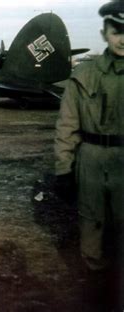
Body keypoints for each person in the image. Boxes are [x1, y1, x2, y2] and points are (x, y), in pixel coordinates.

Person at [54, 0, 124, 308]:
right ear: (104, 33)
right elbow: (67, 125)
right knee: (91, 230)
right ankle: (99, 294)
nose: (123, 38)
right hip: (91, 160)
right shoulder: (83, 75)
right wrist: (64, 169)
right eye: (117, 30)